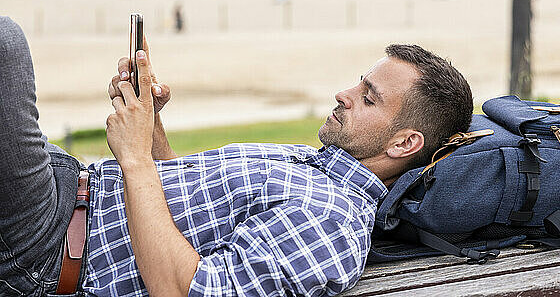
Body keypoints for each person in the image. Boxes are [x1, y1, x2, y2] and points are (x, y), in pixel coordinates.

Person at [0, 16, 473, 296]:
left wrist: (135, 160)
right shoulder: (319, 167)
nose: (343, 94)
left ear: (404, 143)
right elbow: (179, 212)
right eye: (358, 83)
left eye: (368, 98)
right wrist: (150, 123)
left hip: (51, 245)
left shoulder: (332, 222)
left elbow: (187, 290)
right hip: (67, 192)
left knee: (6, 45)